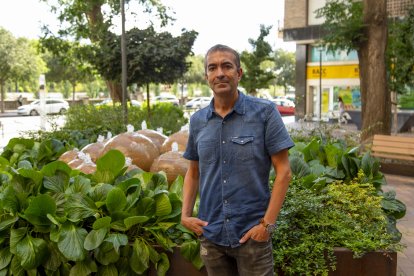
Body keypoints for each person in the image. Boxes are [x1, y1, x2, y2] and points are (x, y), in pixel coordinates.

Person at [181, 44, 294, 276]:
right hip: (211, 235)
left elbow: (284, 172)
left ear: (239, 73)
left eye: (227, 66)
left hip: (252, 235)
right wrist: (185, 216)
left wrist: (266, 226)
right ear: (206, 77)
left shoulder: (264, 113)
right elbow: (193, 172)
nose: (220, 73)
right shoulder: (198, 121)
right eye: (213, 68)